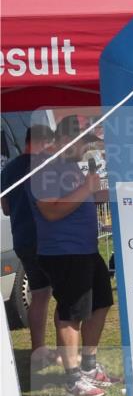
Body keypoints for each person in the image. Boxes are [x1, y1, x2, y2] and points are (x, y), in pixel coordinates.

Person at [30, 117, 119, 396]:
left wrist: (114, 190)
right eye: (84, 143)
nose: (86, 150)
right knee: (71, 314)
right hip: (63, 251)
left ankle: (89, 367)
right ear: (67, 140)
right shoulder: (45, 167)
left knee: (102, 302)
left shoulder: (70, 167)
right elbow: (50, 211)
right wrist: (88, 188)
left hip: (85, 249)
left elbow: (87, 197)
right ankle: (73, 380)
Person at [1, 125, 56, 370]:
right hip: (48, 239)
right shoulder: (45, 167)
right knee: (64, 296)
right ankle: (69, 351)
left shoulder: (8, 169)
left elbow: (5, 208)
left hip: (22, 239)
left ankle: (38, 350)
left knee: (39, 295)